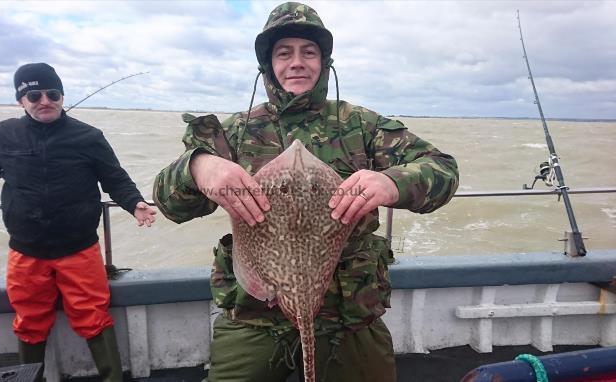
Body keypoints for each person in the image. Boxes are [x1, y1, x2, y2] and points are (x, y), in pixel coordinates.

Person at [153, 2, 458, 381]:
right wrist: (197, 166)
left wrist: (393, 181)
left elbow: (442, 169)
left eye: (308, 52)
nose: (297, 62)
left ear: (324, 62)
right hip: (256, 317)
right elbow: (170, 205)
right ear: (268, 65)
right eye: (284, 53)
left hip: (348, 317)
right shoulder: (233, 132)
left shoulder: (361, 125)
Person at [0, 63, 157, 382]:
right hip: (26, 253)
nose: (44, 100)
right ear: (20, 101)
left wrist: (135, 203)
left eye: (52, 93)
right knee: (29, 321)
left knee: (93, 317)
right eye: (34, 94)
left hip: (80, 249)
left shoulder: (89, 136)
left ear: (62, 96)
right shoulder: (4, 135)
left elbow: (115, 178)